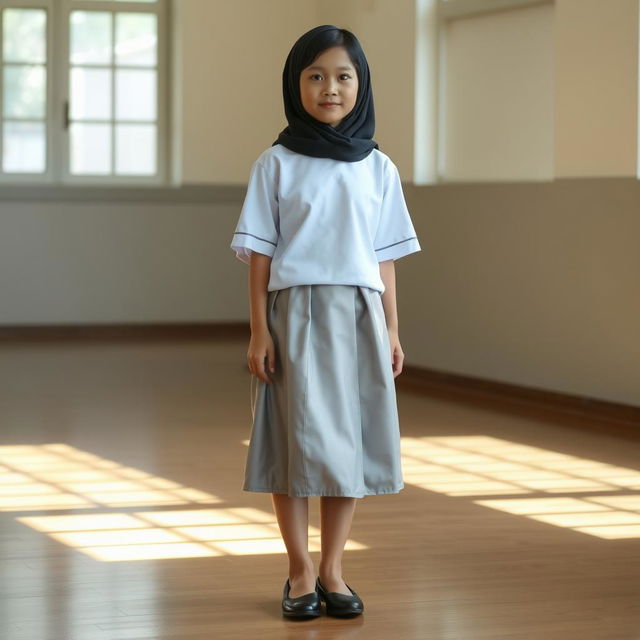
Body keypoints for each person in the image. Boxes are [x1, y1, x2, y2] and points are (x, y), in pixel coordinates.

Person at [230, 24, 421, 619]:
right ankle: (299, 572)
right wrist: (260, 329)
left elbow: (385, 260)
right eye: (315, 76)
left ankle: (334, 570)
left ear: (360, 86)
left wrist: (391, 329)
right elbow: (260, 255)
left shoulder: (378, 168)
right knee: (291, 445)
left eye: (342, 76)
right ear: (296, 85)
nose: (329, 88)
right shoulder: (276, 163)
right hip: (295, 316)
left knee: (349, 448)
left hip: (360, 317)